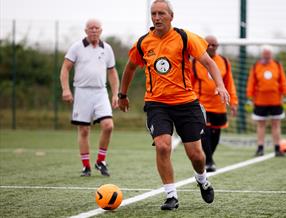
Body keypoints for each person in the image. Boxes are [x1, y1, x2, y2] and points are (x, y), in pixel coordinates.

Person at [118, 0, 229, 210]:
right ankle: (171, 195)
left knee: (196, 155)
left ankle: (202, 180)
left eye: (161, 13)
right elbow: (130, 67)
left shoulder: (185, 37)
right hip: (157, 104)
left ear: (171, 16)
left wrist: (220, 85)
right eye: (153, 14)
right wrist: (122, 94)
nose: (157, 17)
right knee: (162, 145)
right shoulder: (143, 43)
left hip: (187, 103)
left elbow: (208, 63)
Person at [60, 19, 119, 177]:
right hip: (82, 91)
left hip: (100, 92)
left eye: (97, 28)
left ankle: (100, 161)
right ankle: (86, 166)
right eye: (91, 28)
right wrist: (66, 89)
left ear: (101, 30)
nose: (94, 30)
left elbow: (112, 72)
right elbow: (65, 68)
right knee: (84, 130)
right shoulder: (76, 47)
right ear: (85, 30)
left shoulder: (107, 48)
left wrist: (115, 94)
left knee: (108, 125)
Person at [191, 35, 238, 172]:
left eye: (214, 45)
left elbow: (229, 82)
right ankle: (209, 162)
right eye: (208, 45)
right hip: (201, 104)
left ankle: (208, 157)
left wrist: (233, 101)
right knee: (204, 132)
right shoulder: (195, 62)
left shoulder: (223, 61)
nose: (211, 47)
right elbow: (189, 82)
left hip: (219, 104)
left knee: (216, 134)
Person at [245, 45, 286, 157]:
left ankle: (277, 148)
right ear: (261, 54)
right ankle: (260, 148)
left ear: (271, 55)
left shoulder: (277, 65)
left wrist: (285, 95)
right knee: (261, 125)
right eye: (264, 54)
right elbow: (251, 82)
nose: (266, 56)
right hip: (260, 101)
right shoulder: (256, 67)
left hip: (276, 101)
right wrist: (249, 97)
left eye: (268, 54)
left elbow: (283, 81)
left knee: (276, 124)